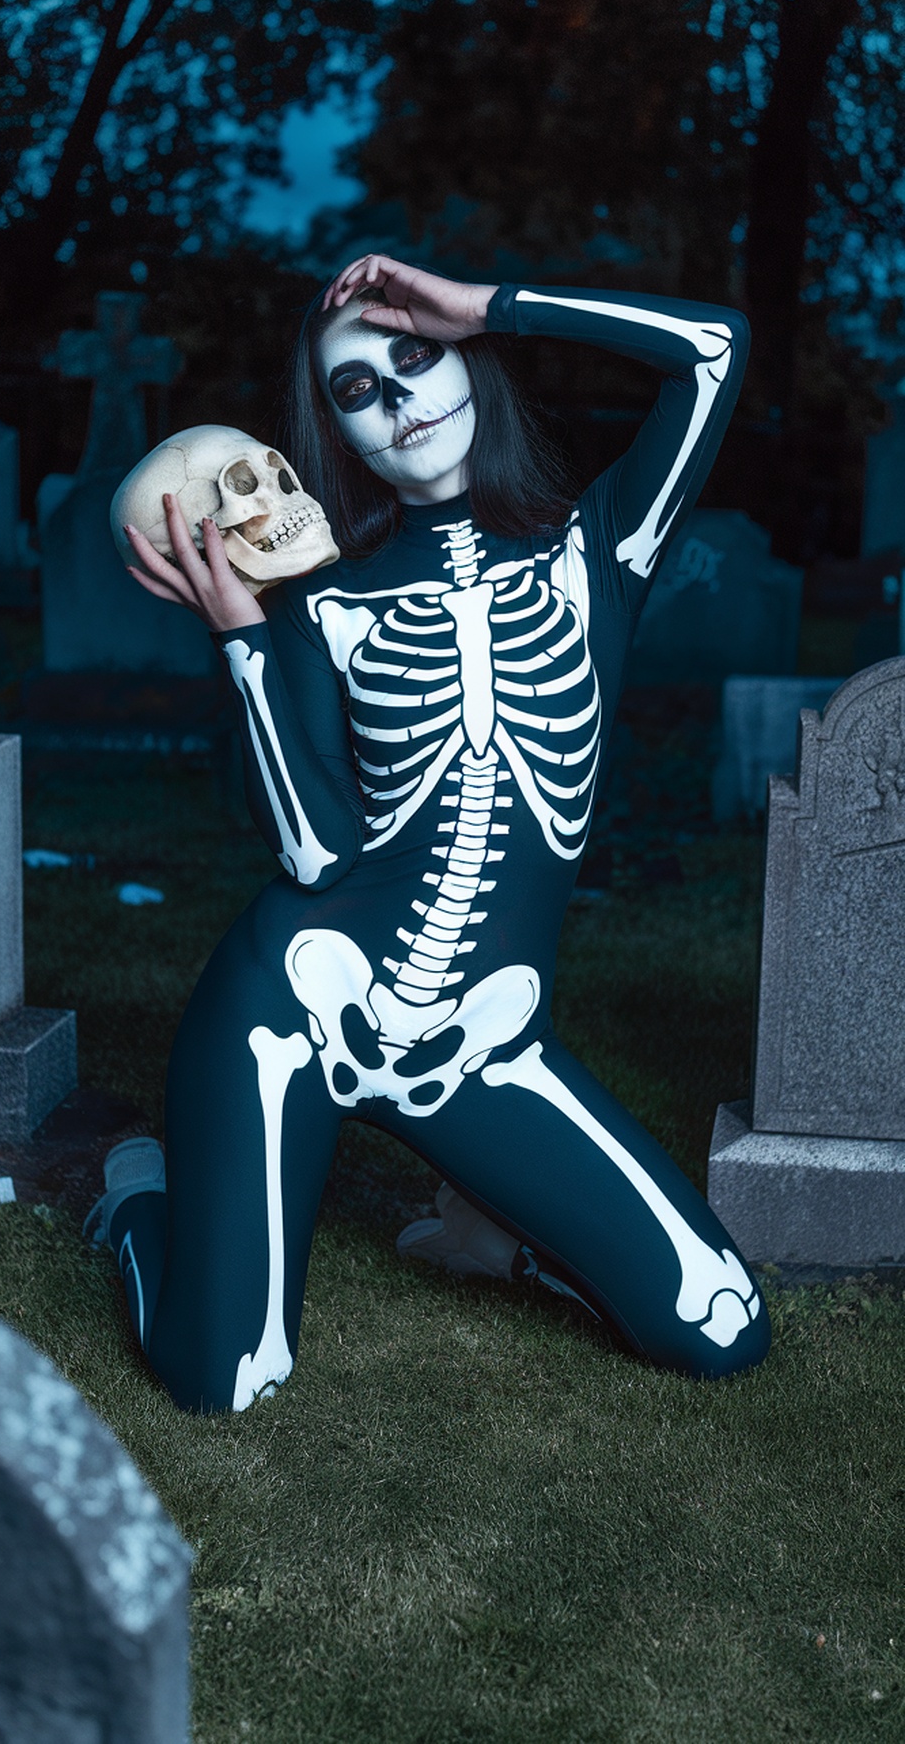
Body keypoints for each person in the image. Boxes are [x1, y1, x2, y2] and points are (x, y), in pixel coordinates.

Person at [85, 253, 771, 1413]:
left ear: (467, 361)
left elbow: (714, 349)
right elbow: (315, 855)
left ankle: (487, 1236)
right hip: (297, 1006)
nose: (399, 396)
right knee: (229, 1379)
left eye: (417, 356)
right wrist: (244, 640)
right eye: (357, 391)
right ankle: (136, 1206)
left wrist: (491, 304)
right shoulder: (323, 602)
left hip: (483, 1040)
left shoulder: (597, 553)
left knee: (724, 1329)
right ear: (339, 437)